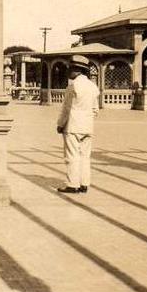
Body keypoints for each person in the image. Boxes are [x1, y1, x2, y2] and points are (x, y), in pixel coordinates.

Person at [56, 55, 100, 194]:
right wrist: (87, 118)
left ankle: (72, 184)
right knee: (85, 156)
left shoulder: (72, 86)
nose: (69, 71)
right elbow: (95, 109)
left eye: (71, 69)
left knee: (72, 156)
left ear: (78, 70)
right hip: (88, 126)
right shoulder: (93, 87)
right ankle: (84, 183)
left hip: (73, 126)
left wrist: (60, 124)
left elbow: (67, 108)